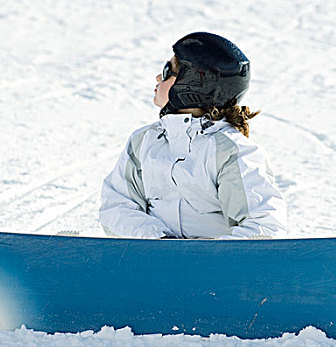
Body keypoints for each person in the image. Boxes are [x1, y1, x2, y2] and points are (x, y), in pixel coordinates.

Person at [99, 32, 287, 239]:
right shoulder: (143, 142)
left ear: (192, 83)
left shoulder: (231, 151)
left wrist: (204, 259)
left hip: (216, 265)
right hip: (152, 260)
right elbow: (117, 206)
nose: (158, 78)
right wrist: (158, 242)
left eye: (167, 70)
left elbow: (263, 226)